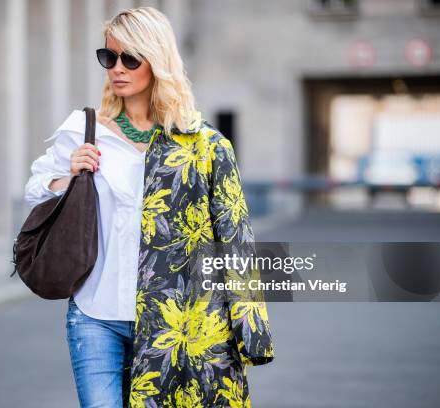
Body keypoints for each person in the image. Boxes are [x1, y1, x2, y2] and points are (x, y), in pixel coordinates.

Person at [24, 6, 274, 408]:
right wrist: (69, 175)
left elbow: (236, 239)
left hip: (173, 322)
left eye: (129, 58)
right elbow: (35, 192)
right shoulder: (84, 130)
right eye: (108, 57)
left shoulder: (203, 145)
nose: (116, 68)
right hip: (95, 314)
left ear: (156, 61)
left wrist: (251, 328)